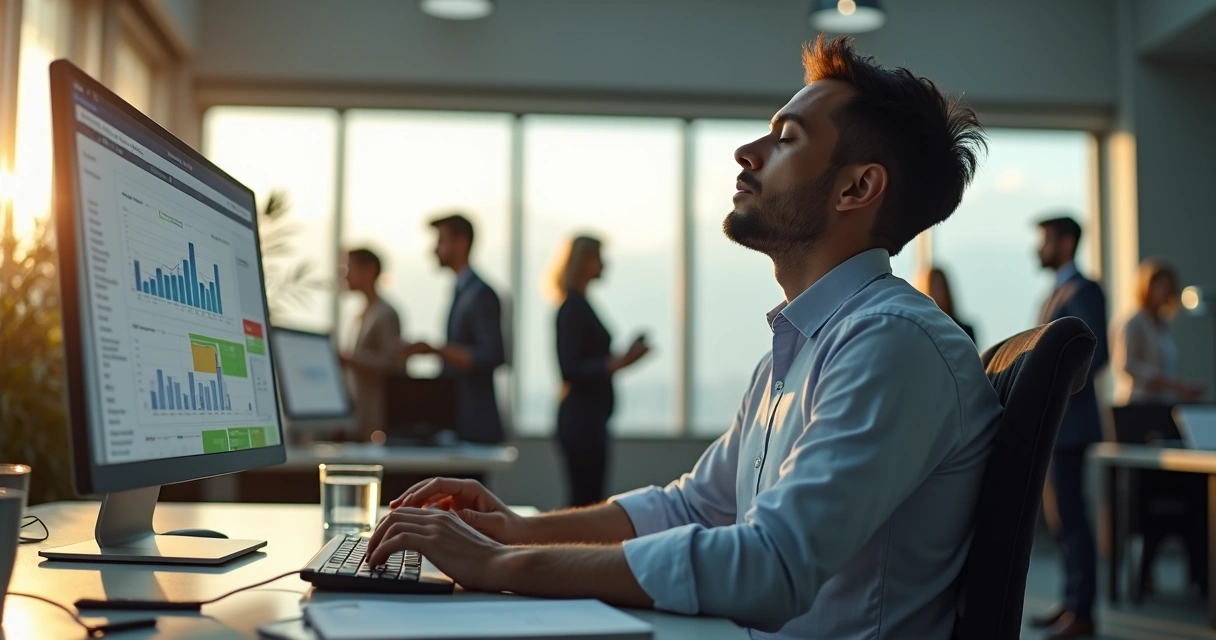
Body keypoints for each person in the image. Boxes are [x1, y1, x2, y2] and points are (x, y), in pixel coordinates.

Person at [366, 35, 1002, 639]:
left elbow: (770, 567)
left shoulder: (891, 342)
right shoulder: (805, 344)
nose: (746, 152)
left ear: (857, 187)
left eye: (787, 138)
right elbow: (692, 507)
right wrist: (511, 532)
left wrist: (500, 567)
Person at [1030, 215, 1108, 639]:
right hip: (1058, 425)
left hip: (1070, 422)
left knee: (1072, 518)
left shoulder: (1084, 289)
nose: (1037, 249)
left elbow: (1096, 352)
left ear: (1065, 241)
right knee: (1061, 519)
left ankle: (1083, 611)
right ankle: (1071, 602)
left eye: (1044, 241)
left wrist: (1053, 393)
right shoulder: (1058, 291)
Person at [553, 235, 650, 507]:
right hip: (581, 422)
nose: (604, 264)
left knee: (588, 498)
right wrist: (621, 361)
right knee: (585, 501)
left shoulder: (580, 305)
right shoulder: (572, 308)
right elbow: (570, 368)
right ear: (583, 262)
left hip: (589, 419)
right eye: (598, 257)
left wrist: (621, 359)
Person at [401, 214, 506, 444]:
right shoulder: (463, 292)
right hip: (459, 422)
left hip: (474, 423)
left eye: (441, 241)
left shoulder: (479, 294)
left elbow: (491, 355)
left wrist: (436, 350)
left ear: (461, 243)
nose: (434, 250)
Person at [1112, 259, 1204, 405]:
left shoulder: (1162, 325)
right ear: (1147, 287)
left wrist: (1180, 389)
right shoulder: (1134, 323)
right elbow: (1127, 365)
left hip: (1165, 404)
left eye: (1169, 287)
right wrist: (1172, 385)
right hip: (1141, 406)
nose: (1166, 292)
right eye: (1161, 286)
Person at [339, 248, 402, 439]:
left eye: (349, 268)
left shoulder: (385, 314)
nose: (345, 275)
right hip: (358, 411)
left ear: (369, 270)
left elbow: (394, 363)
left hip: (376, 415)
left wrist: (350, 359)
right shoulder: (359, 314)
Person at [915, 266, 976, 343]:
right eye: (934, 288)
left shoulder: (964, 331)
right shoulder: (919, 330)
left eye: (940, 287)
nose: (938, 293)